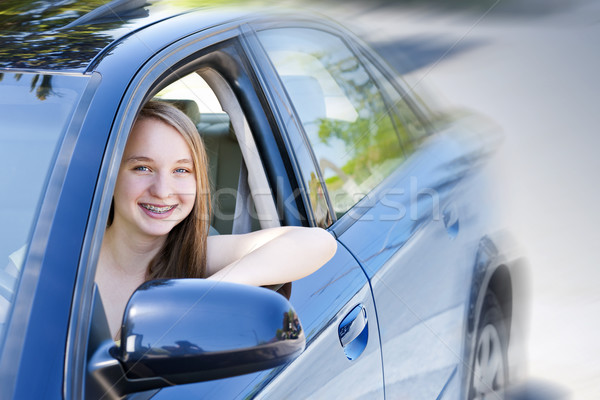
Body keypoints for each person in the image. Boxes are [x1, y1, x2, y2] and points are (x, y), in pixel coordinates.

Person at [95, 101, 337, 339]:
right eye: (142, 168)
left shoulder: (195, 255)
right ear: (111, 174)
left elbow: (317, 241)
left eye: (181, 171)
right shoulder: (67, 255)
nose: (162, 191)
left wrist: (205, 296)